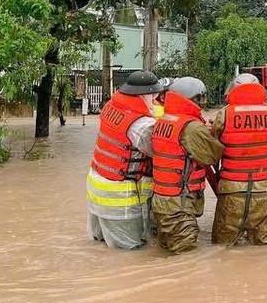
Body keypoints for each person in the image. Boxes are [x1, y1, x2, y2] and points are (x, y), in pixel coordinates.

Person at [210, 66, 267, 245]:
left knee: (223, 245)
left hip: (232, 191)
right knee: (265, 246)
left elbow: (212, 148)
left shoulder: (223, 114)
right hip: (264, 190)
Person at [86, 70, 165, 250]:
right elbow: (161, 149)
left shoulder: (112, 106)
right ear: (143, 95)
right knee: (130, 252)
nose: (156, 100)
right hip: (118, 198)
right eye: (154, 95)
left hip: (97, 186)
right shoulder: (141, 125)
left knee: (100, 246)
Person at [151, 76, 224, 254]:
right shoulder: (191, 127)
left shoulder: (164, 120)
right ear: (194, 98)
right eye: (201, 98)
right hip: (179, 203)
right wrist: (216, 132)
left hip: (163, 200)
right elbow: (213, 155)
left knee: (168, 251)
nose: (203, 102)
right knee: (185, 256)